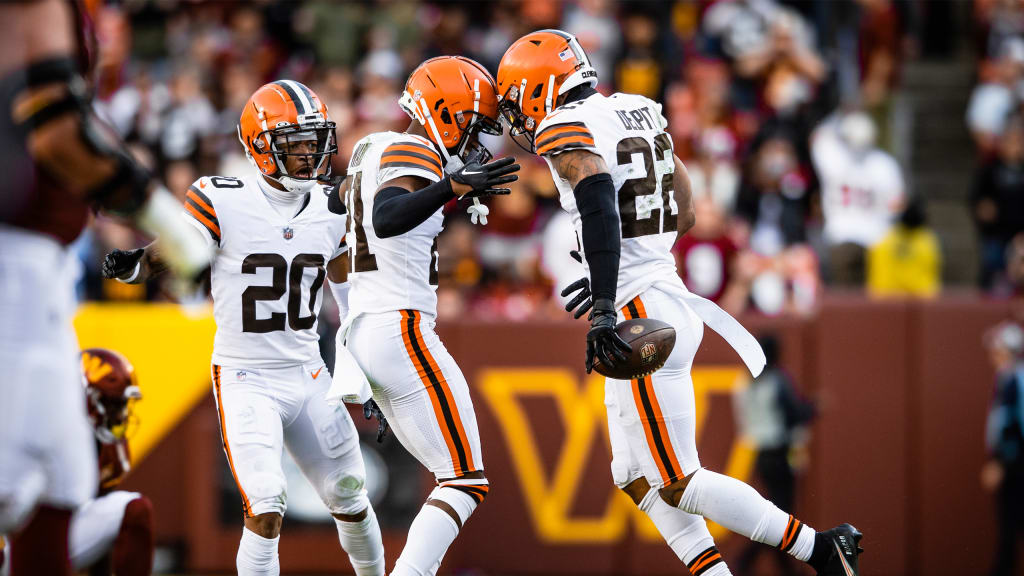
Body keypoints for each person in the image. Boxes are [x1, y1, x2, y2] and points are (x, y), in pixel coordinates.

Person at [497, 29, 862, 576]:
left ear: (540, 88)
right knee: (635, 476)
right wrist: (615, 266)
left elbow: (598, 200)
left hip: (640, 311)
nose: (519, 116)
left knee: (677, 480)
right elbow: (685, 210)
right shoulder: (637, 111)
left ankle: (819, 547)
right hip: (662, 295)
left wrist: (603, 300)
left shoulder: (564, 125)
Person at [100, 80, 385, 576]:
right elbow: (178, 252)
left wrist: (361, 368)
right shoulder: (220, 198)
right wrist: (138, 264)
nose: (307, 153)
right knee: (267, 501)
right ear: (259, 145)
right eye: (294, 142)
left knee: (351, 496)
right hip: (246, 375)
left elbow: (346, 294)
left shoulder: (330, 208)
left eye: (313, 140)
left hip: (308, 370)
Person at [0, 2, 209, 575]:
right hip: (13, 263)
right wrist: (165, 219)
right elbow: (58, 131)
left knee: (63, 481)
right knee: (19, 486)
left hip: (36, 274)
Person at [333, 56, 518, 576]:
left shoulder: (371, 148)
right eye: (474, 123)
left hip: (369, 329)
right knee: (464, 480)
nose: (476, 139)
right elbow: (387, 218)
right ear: (447, 112)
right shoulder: (413, 148)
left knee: (452, 476)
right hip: (400, 327)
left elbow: (339, 237)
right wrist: (451, 189)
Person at [0, 348, 155, 576]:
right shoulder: (44, 426)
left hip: (54, 535)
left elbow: (100, 528)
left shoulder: (111, 449)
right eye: (113, 404)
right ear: (88, 399)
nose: (120, 415)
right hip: (14, 538)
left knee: (136, 510)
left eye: (121, 405)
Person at [733, 336, 815, 576]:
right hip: (780, 453)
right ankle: (747, 559)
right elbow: (795, 413)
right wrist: (815, 407)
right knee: (781, 516)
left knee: (780, 513)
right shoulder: (777, 380)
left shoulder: (745, 381)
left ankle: (784, 568)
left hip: (760, 453)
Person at [982, 322, 1024, 576]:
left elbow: (1013, 425)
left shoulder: (1015, 381)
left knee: (1011, 528)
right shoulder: (1007, 379)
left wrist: (1001, 461)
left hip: (1017, 467)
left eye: (997, 351)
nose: (992, 357)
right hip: (1014, 465)